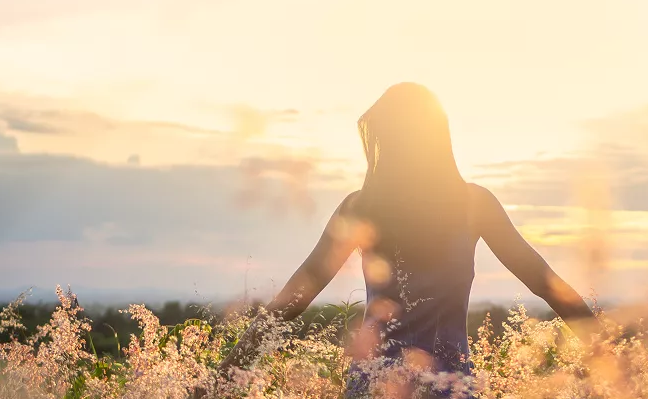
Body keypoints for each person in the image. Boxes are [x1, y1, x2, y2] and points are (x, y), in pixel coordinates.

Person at [221, 82, 594, 376]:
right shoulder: (473, 204)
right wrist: (615, 359)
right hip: (448, 396)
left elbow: (293, 299)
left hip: (376, 392)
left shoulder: (362, 207)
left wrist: (223, 376)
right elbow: (546, 284)